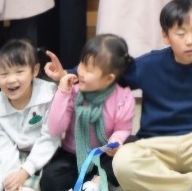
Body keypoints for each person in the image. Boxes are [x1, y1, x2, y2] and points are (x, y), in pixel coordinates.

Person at [59, 0, 192, 191]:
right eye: (181, 34)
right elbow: (111, 70)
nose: (190, 41)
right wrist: (68, 73)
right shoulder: (151, 65)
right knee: (122, 161)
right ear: (165, 36)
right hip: (158, 146)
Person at [45, 34, 136, 191]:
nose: (80, 72)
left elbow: (123, 129)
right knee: (50, 178)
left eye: (88, 70)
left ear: (109, 79)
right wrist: (62, 92)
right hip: (73, 154)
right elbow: (55, 129)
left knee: (131, 150)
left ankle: (97, 180)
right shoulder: (73, 90)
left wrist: (116, 140)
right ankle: (91, 183)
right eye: (81, 63)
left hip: (104, 154)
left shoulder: (123, 97)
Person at [0, 39, 67, 191]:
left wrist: (25, 172)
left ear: (34, 71)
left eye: (19, 72)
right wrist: (13, 177)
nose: (11, 80)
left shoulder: (48, 95)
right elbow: (4, 148)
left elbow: (50, 138)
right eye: (4, 74)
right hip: (14, 155)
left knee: (34, 185)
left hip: (47, 154)